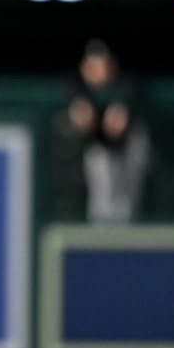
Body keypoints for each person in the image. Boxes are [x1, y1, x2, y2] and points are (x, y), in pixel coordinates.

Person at [59, 39, 151, 223]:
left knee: (127, 203)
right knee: (101, 199)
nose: (99, 71)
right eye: (93, 65)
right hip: (94, 154)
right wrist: (78, 101)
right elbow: (70, 84)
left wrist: (124, 107)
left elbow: (132, 86)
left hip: (128, 153)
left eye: (103, 64)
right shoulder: (75, 86)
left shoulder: (127, 84)